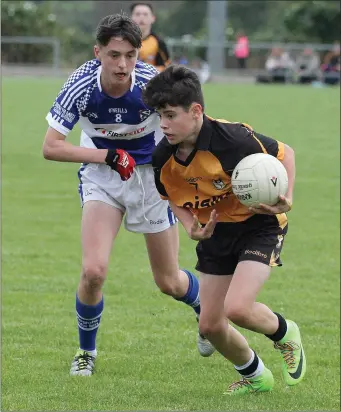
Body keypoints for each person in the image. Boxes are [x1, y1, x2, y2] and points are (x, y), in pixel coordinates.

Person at [42, 14, 214, 377]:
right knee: (93, 271)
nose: (123, 64)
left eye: (131, 55)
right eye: (114, 55)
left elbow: (192, 126)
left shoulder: (152, 82)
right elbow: (51, 147)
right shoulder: (82, 85)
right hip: (102, 177)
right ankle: (85, 352)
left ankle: (205, 310)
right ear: (98, 52)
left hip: (151, 180)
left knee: (169, 282)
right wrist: (106, 155)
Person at [143, 65, 306, 395]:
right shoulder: (162, 156)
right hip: (217, 233)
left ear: (196, 111)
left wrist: (286, 198)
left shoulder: (233, 139)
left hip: (259, 226)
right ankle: (256, 376)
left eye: (171, 115)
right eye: (160, 115)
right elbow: (170, 196)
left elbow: (285, 154)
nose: (163, 124)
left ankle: (285, 333)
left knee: (238, 308)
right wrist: (191, 227)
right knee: (211, 325)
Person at [130, 2, 170, 71]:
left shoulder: (159, 42)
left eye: (145, 14)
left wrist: (145, 71)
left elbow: (166, 68)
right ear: (131, 17)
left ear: (153, 18)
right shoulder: (123, 41)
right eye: (137, 14)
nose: (141, 17)